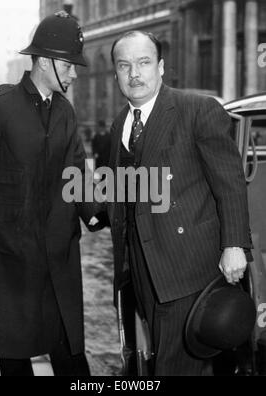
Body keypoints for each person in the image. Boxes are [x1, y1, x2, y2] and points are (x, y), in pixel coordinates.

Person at [108, 30, 253, 376]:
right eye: (124, 66)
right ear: (115, 73)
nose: (134, 74)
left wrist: (234, 244)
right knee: (162, 358)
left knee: (174, 367)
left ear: (160, 67)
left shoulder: (197, 109)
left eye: (143, 63)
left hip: (188, 265)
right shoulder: (119, 126)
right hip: (142, 271)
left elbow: (230, 181)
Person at [0, 12, 100, 377]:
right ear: (44, 62)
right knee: (14, 352)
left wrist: (96, 213)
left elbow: (76, 172)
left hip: (57, 255)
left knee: (69, 351)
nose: (74, 74)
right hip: (8, 257)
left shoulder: (66, 112)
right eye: (69, 66)